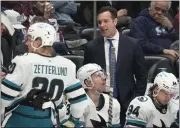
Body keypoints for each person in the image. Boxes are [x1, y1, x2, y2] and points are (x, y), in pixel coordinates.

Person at [1, 22, 88, 127]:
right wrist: (73, 121)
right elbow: (79, 102)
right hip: (46, 120)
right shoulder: (68, 65)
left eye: (29, 39)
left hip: (19, 119)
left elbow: (4, 98)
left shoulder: (23, 60)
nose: (26, 43)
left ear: (38, 42)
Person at [83, 6, 147, 126]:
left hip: (126, 103)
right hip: (100, 103)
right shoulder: (91, 47)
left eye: (105, 21)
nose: (102, 25)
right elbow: (85, 76)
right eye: (99, 22)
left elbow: (142, 76)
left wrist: (135, 100)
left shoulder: (133, 45)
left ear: (115, 21)